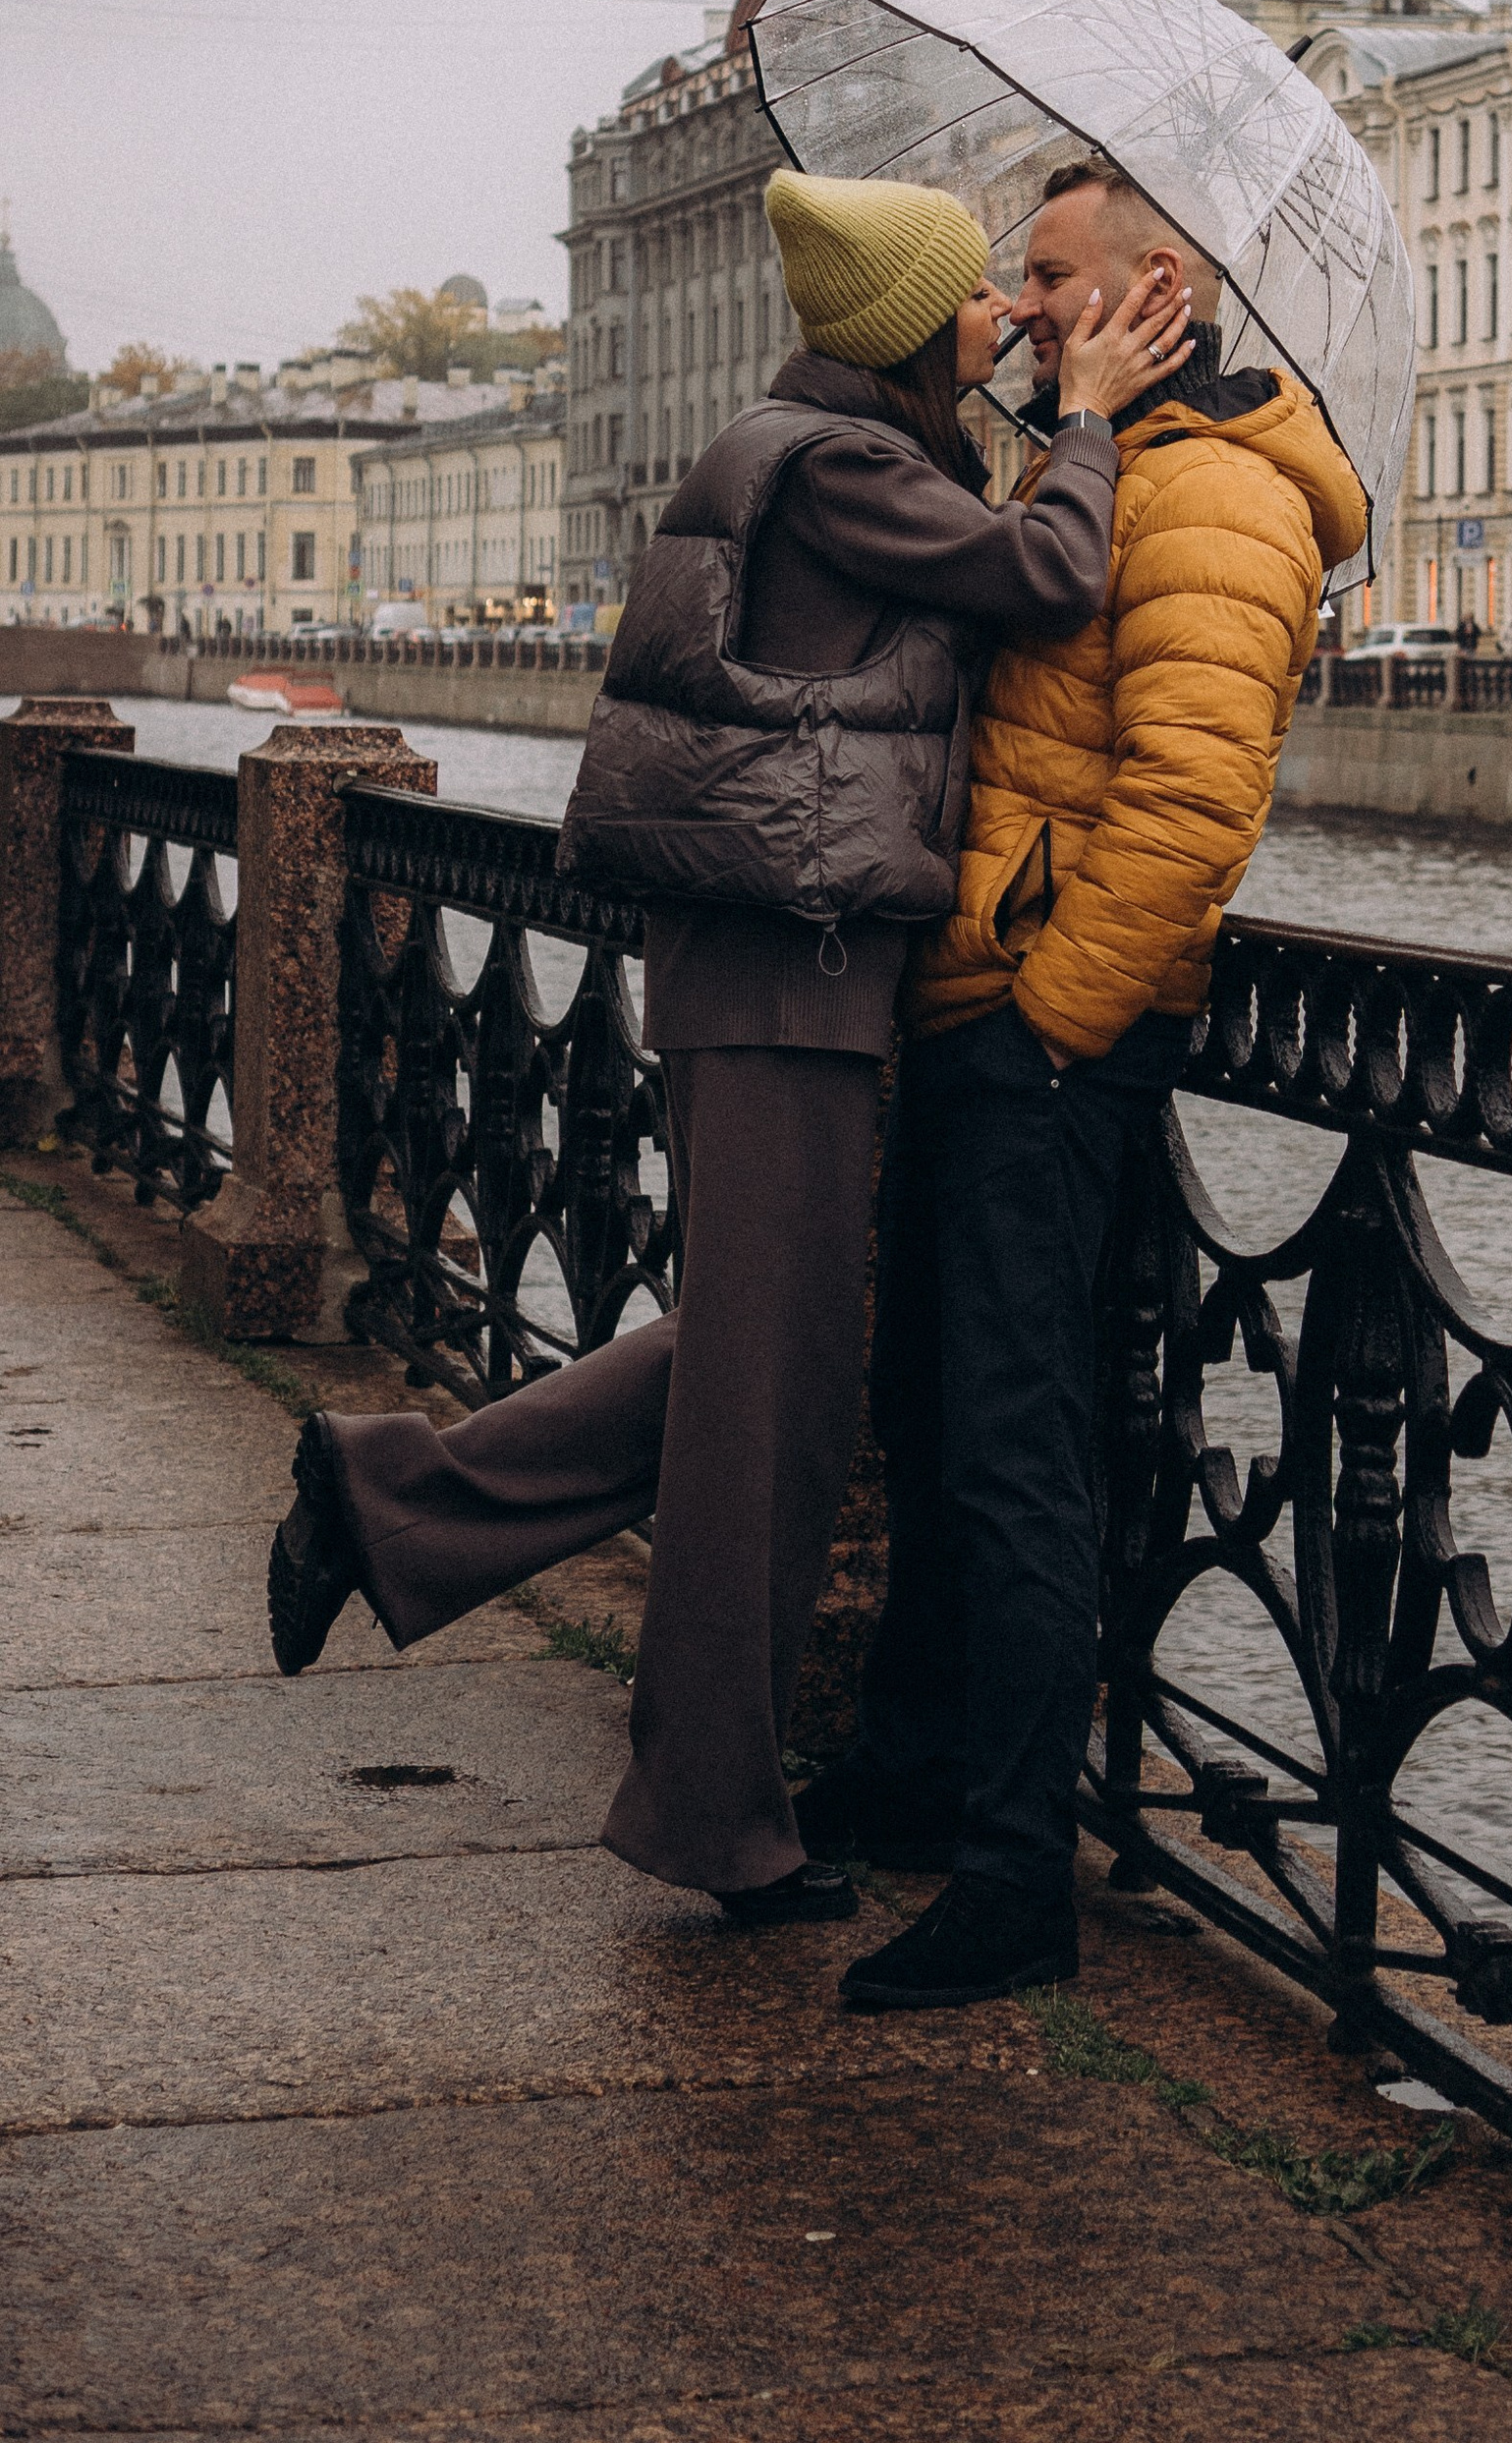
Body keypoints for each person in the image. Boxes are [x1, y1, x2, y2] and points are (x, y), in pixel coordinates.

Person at [263, 169, 1189, 1927]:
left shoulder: (828, 450)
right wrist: (1087, 420)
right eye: (976, 295)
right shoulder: (839, 468)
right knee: (771, 1398)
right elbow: (1055, 574)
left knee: (770, 1368)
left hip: (792, 965)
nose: (1007, 312)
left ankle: (388, 1499)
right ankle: (711, 1814)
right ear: (905, 326)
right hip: (783, 968)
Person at [820, 153, 1369, 2013]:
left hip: (1046, 1044)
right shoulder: (1107, 460)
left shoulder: (1220, 493)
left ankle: (1012, 1880)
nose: (1022, 304)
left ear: (1157, 292)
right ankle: (913, 1779)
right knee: (938, 1421)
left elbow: (1193, 806)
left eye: (1050, 276)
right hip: (981, 1007)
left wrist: (1048, 1023)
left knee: (1017, 1455)